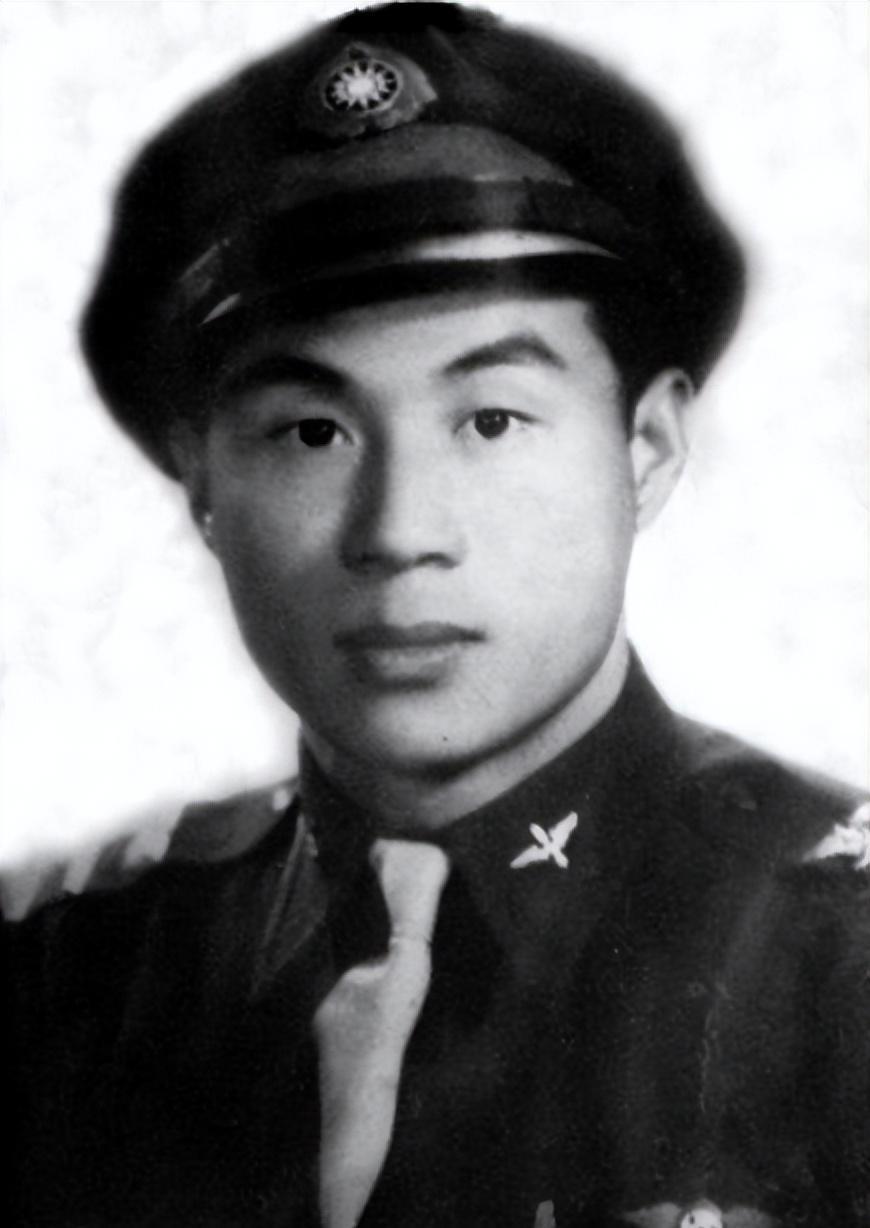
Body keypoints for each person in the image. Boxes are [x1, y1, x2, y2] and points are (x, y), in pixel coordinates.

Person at [5, 4, 868, 1226]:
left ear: (647, 448)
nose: (401, 529)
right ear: (202, 483)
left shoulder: (840, 967)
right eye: (313, 432)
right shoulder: (65, 976)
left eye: (491, 420)